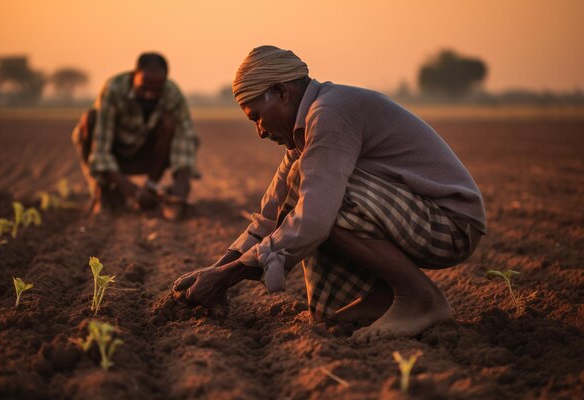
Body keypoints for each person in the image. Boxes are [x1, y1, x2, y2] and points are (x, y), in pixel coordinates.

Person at [173, 45, 486, 340]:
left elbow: (314, 219)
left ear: (281, 93)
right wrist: (215, 271)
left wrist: (228, 277)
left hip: (449, 224)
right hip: (415, 217)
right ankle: (385, 295)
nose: (260, 131)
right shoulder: (307, 127)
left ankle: (419, 298)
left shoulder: (329, 113)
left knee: (323, 200)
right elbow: (272, 212)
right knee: (330, 317)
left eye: (256, 116)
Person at [71, 52, 199, 219]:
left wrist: (181, 184)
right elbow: (100, 150)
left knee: (170, 121)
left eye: (157, 89)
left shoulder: (172, 94)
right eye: (144, 87)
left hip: (146, 155)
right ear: (134, 76)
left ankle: (151, 187)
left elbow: (186, 140)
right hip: (115, 154)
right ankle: (102, 190)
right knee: (90, 119)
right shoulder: (114, 89)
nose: (149, 94)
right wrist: (132, 191)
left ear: (165, 81)